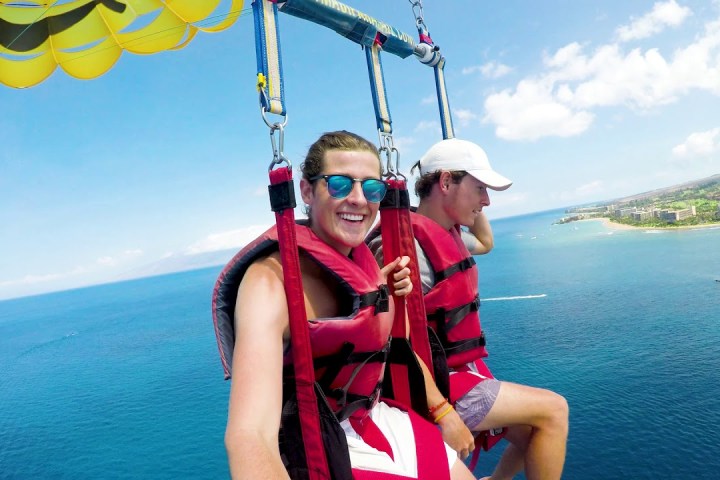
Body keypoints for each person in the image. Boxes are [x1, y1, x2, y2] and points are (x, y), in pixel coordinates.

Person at [213, 131, 478, 479]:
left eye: (371, 189)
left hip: (377, 416)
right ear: (307, 191)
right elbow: (250, 435)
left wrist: (385, 299)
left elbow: (388, 347)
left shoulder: (366, 269)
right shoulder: (270, 285)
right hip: (321, 442)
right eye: (339, 185)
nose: (358, 199)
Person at [368, 138, 569, 480]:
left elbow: (486, 244)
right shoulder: (405, 249)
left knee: (528, 432)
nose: (487, 201)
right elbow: (388, 340)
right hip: (433, 384)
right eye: (479, 189)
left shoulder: (449, 235)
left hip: (459, 372)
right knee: (554, 410)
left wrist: (468, 206)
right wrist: (442, 410)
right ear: (445, 183)